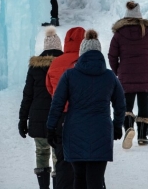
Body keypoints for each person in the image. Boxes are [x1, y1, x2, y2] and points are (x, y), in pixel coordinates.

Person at [47, 29, 125, 189]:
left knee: (79, 178)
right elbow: (120, 104)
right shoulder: (110, 76)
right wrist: (117, 127)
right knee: (96, 179)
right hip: (101, 132)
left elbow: (57, 103)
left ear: (81, 53)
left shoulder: (69, 75)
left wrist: (50, 127)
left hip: (74, 131)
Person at [108, 0, 148, 149]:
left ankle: (129, 128)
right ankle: (142, 136)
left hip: (126, 76)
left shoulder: (118, 34)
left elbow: (112, 56)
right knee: (144, 105)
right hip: (146, 76)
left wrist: (118, 70)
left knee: (127, 105)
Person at [19, 26, 64, 189]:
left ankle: (43, 187)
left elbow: (27, 95)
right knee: (58, 155)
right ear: (59, 47)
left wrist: (22, 119)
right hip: (59, 118)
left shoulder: (35, 66)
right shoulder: (64, 65)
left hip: (38, 118)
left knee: (41, 152)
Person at [45, 26, 86, 189]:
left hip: (62, 117)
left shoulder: (55, 63)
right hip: (83, 117)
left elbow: (49, 88)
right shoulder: (86, 62)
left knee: (63, 161)